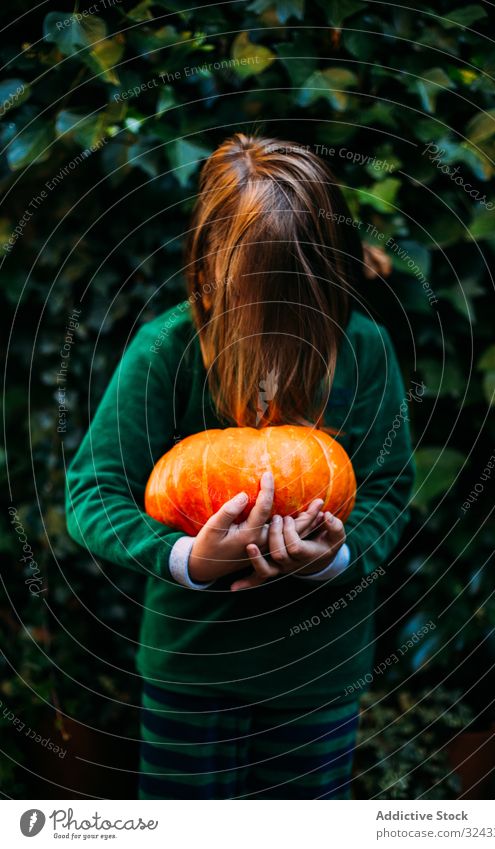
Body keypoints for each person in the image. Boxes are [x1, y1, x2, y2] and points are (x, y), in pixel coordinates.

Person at [65, 133, 414, 799]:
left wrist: (334, 558)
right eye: (263, 299)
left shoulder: (363, 351)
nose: (284, 321)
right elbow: (94, 490)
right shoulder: (167, 350)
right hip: (189, 670)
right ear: (206, 270)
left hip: (317, 674)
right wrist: (188, 559)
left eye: (301, 297)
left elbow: (389, 488)